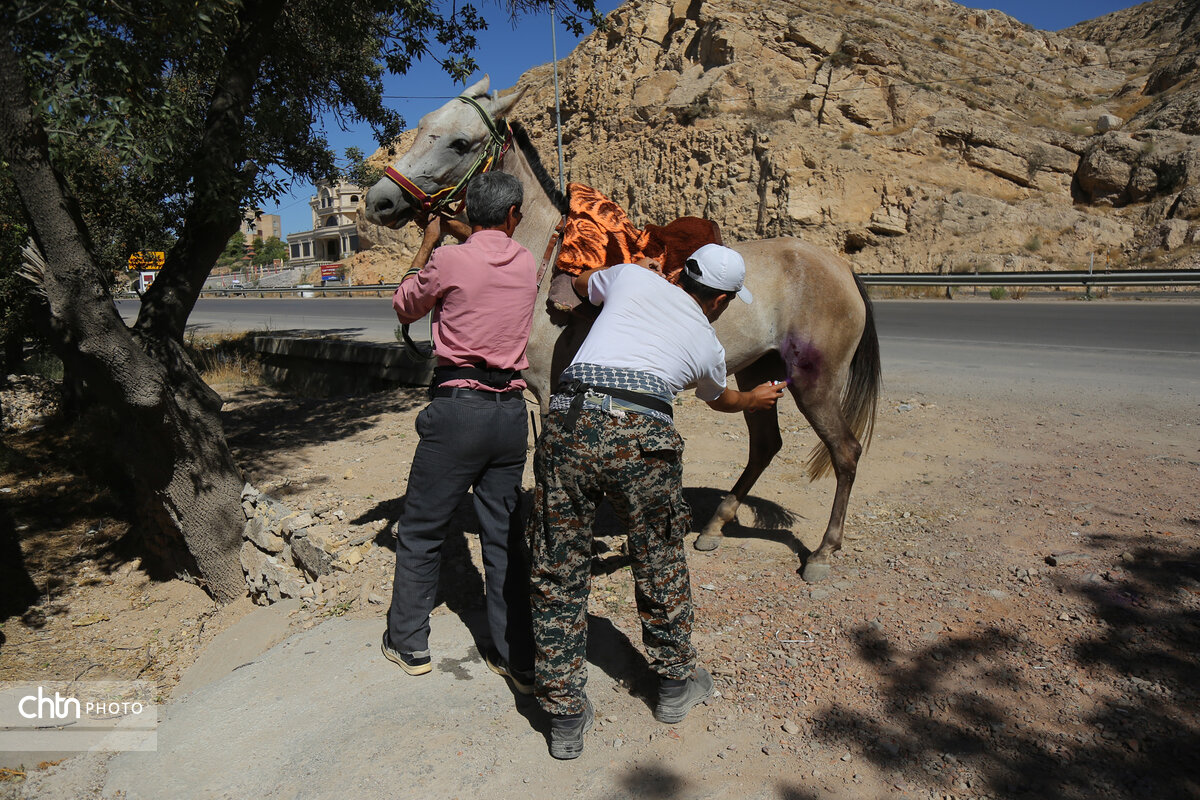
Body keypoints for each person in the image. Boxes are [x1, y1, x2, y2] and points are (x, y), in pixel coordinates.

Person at [527, 243, 786, 759]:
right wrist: (753, 400)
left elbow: (579, 286)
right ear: (718, 301)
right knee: (659, 560)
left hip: (569, 420)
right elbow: (720, 400)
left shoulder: (631, 278)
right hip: (642, 438)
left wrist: (601, 288)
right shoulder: (707, 342)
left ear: (681, 275)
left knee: (558, 568)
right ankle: (673, 687)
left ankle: (564, 716)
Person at [382, 171, 537, 695]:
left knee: (423, 529)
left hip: (458, 410)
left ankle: (410, 643)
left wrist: (428, 240)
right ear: (514, 215)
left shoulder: (448, 259)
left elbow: (405, 304)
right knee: (504, 536)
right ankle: (513, 654)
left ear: (469, 211)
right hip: (510, 416)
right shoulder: (527, 262)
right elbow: (491, 250)